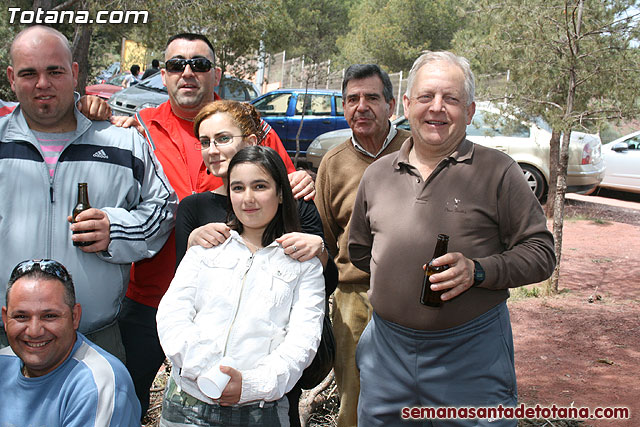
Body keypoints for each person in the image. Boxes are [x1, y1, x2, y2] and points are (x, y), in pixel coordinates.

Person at [348, 51, 556, 426]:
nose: (437, 109)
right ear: (408, 105)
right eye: (426, 97)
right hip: (386, 356)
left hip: (470, 356)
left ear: (471, 110)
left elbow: (541, 253)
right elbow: (361, 251)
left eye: (452, 99)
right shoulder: (378, 174)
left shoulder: (498, 172)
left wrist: (478, 271)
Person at [115, 32, 315, 418]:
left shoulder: (253, 128)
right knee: (126, 399)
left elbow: (286, 198)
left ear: (216, 73)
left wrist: (304, 189)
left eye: (199, 64)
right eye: (176, 64)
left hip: (232, 313)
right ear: (162, 74)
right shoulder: (137, 129)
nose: (187, 72)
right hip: (147, 295)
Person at [0, 25, 177, 362]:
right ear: (11, 77)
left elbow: (164, 207)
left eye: (55, 71)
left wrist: (117, 229)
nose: (42, 84)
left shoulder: (122, 143)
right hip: (5, 340)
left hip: (96, 339)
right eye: (29, 73)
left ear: (75, 72)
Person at [176, 100, 337, 426]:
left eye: (222, 138)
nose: (213, 150)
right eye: (205, 142)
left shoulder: (294, 203)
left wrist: (319, 252)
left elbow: (326, 284)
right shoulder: (194, 209)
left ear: (250, 142)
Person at [314, 64, 410, 427]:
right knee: (353, 400)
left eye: (372, 97)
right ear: (343, 107)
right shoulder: (333, 164)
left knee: (410, 394)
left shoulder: (417, 150)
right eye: (352, 99)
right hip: (353, 297)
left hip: (414, 295)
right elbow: (324, 236)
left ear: (390, 105)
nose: (361, 107)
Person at [0, 259, 141, 426]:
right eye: (21, 317)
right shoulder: (4, 362)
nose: (34, 331)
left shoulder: (97, 384)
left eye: (49, 316)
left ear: (75, 317)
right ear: (5, 319)